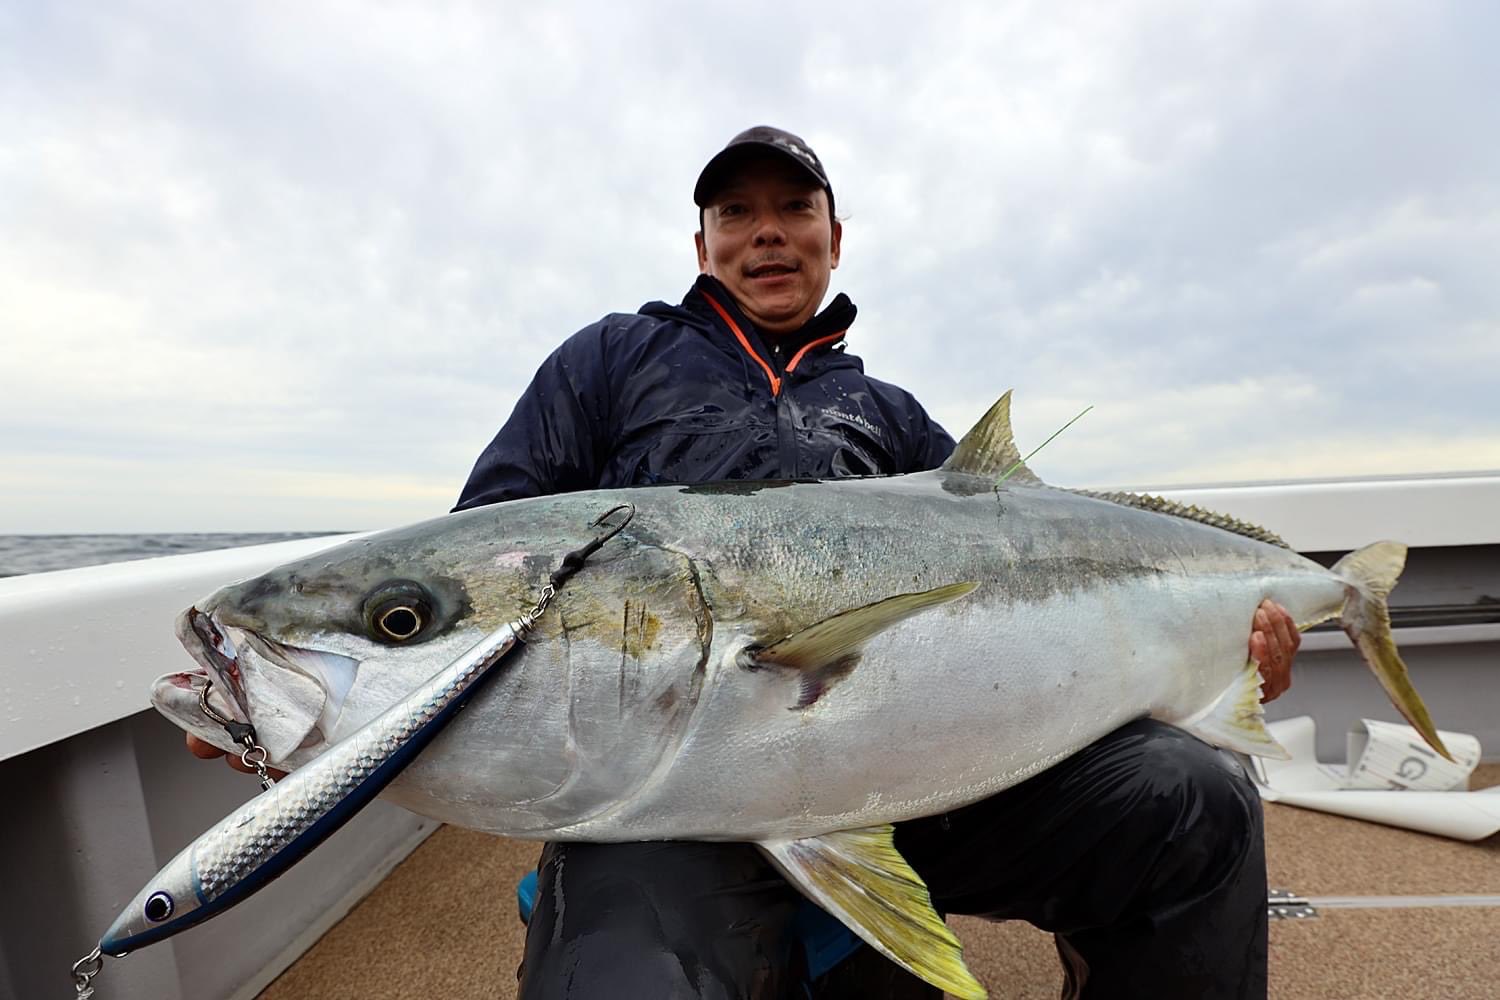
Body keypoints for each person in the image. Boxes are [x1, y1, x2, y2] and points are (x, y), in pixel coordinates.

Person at [189, 126, 1301, 998]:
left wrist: (1223, 654)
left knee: (1193, 796)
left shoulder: (893, 416)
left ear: (833, 235)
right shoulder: (611, 362)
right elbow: (496, 570)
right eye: (737, 212)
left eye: (793, 210)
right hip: (666, 799)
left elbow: (1029, 579)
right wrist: (340, 707)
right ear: (702, 244)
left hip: (929, 782)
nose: (766, 233)